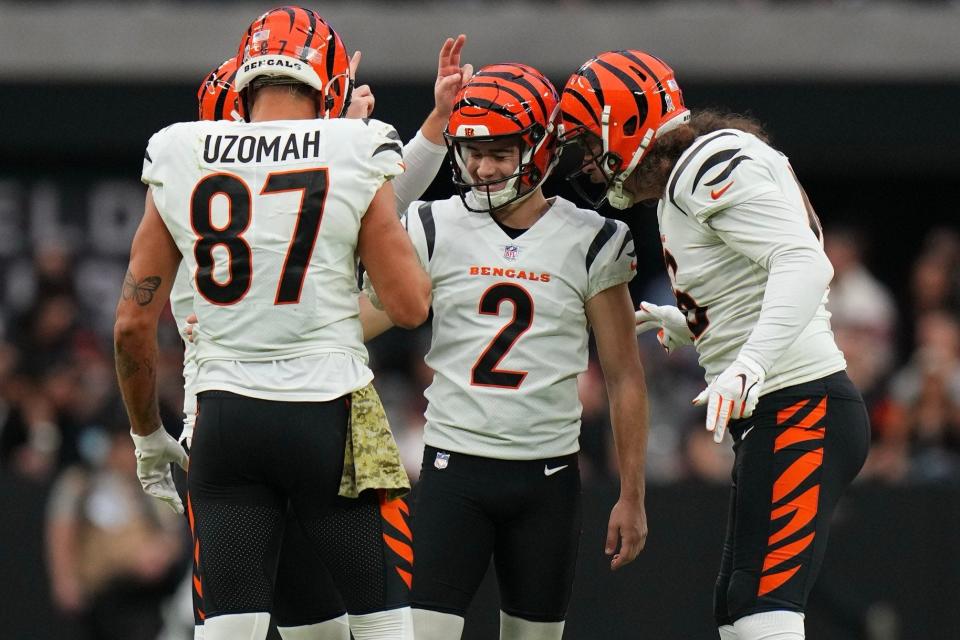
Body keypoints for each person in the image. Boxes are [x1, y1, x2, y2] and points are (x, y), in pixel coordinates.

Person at [113, 6, 430, 639]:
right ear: (331, 82)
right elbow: (409, 306)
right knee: (381, 624)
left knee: (233, 629)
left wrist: (147, 433)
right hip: (328, 412)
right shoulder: (354, 145)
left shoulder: (181, 149)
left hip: (225, 416)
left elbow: (130, 325)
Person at [557, 49, 870, 640]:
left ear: (624, 126)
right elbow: (760, 273)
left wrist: (748, 363)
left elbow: (804, 263)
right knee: (737, 607)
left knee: (763, 610)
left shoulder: (704, 166)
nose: (590, 166)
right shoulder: (702, 166)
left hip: (801, 404)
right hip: (788, 408)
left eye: (589, 144)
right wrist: (697, 323)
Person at [175, 32, 472, 640]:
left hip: (226, 426)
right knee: (369, 622)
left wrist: (360, 134)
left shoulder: (194, 189)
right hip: (316, 414)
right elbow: (371, 213)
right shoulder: (320, 165)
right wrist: (346, 136)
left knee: (299, 628)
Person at [361, 63, 651, 640]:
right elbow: (357, 322)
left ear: (540, 147)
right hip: (453, 466)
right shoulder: (434, 223)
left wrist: (633, 495)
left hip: (547, 477)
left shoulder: (591, 238)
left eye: (500, 151)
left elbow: (624, 377)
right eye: (473, 152)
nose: (484, 168)